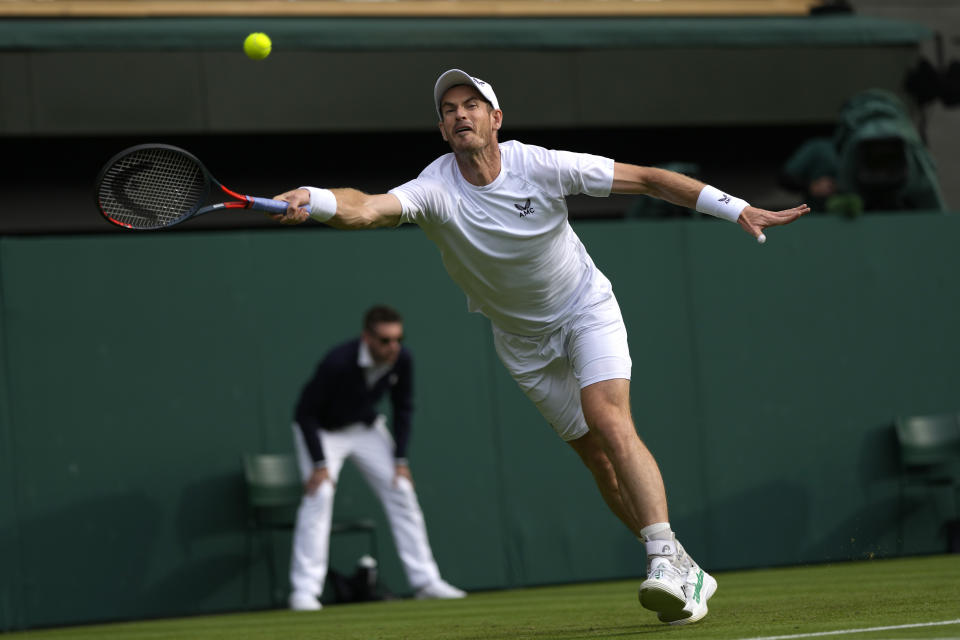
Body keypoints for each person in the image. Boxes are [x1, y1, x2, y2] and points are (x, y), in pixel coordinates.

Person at [271, 69, 808, 625]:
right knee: (595, 457)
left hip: (584, 309)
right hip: (523, 344)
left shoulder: (542, 165)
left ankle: (664, 557)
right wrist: (316, 198)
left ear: (495, 119)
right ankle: (682, 564)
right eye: (450, 108)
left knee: (607, 418)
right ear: (442, 129)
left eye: (472, 104)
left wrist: (734, 206)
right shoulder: (433, 188)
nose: (460, 113)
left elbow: (646, 179)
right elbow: (366, 208)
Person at [288, 304, 466, 611]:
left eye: (398, 339)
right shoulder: (337, 362)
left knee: (402, 490)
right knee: (321, 495)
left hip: (365, 429)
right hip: (322, 432)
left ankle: (426, 582)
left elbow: (404, 408)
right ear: (367, 338)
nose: (393, 347)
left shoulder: (402, 360)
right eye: (385, 341)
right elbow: (304, 414)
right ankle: (304, 592)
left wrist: (400, 460)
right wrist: (319, 465)